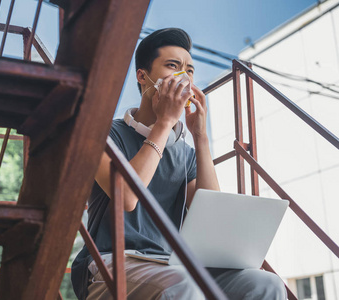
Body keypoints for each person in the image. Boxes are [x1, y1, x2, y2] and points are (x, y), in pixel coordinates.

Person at [71, 28, 287, 299]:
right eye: (173, 66)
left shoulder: (186, 152)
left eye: (190, 70)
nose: (183, 77)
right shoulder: (103, 134)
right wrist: (164, 123)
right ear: (143, 76)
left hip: (168, 264)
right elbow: (126, 197)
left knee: (266, 284)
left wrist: (200, 137)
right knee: (182, 283)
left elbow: (212, 216)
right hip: (109, 262)